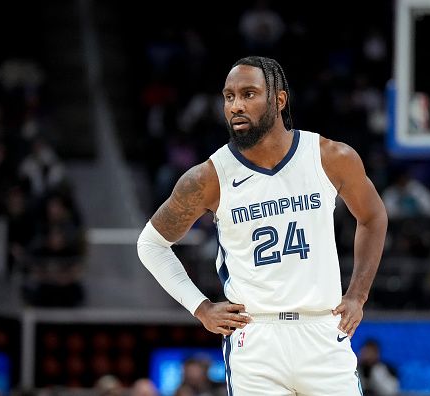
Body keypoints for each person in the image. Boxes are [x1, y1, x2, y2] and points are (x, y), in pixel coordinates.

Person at [137, 56, 388, 395]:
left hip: (323, 332)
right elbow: (151, 244)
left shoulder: (330, 157)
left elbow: (373, 217)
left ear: (279, 100)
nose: (236, 106)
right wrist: (201, 307)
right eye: (229, 97)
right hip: (255, 339)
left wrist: (358, 294)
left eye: (248, 94)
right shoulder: (209, 177)